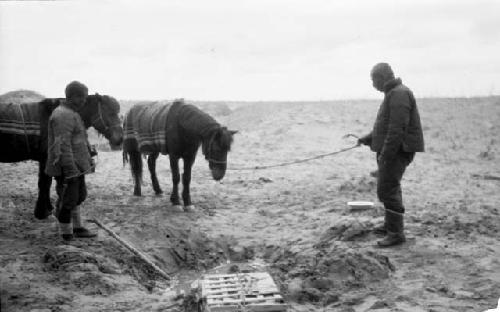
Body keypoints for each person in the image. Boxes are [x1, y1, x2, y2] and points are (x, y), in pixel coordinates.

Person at [358, 63, 424, 247]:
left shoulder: (399, 94)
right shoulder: (393, 93)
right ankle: (390, 225)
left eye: (374, 80)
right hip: (394, 150)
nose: (373, 84)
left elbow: (397, 129)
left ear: (383, 77)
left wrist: (386, 155)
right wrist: (368, 138)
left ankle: (396, 233)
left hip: (398, 150)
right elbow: (386, 126)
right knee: (389, 186)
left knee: (387, 188)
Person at [45, 81, 97, 241]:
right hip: (68, 169)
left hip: (77, 166)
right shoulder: (62, 115)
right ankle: (67, 235)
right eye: (82, 97)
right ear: (72, 97)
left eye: (85, 98)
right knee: (68, 200)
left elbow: (78, 140)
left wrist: (88, 157)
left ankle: (77, 227)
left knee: (79, 196)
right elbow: (62, 146)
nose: (84, 101)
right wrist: (70, 170)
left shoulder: (72, 113)